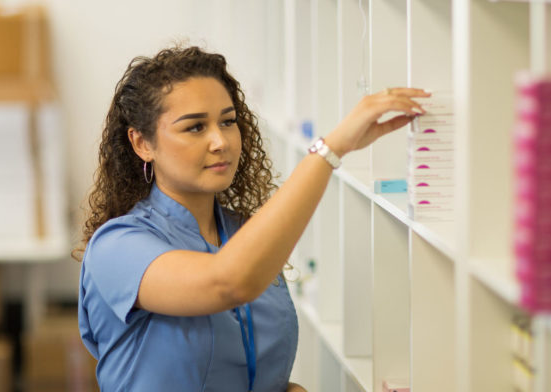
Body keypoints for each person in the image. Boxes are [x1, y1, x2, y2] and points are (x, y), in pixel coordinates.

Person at [75, 45, 429, 392]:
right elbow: (226, 283)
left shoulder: (244, 234)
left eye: (228, 122)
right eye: (195, 128)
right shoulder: (116, 246)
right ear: (142, 144)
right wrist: (329, 151)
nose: (220, 141)